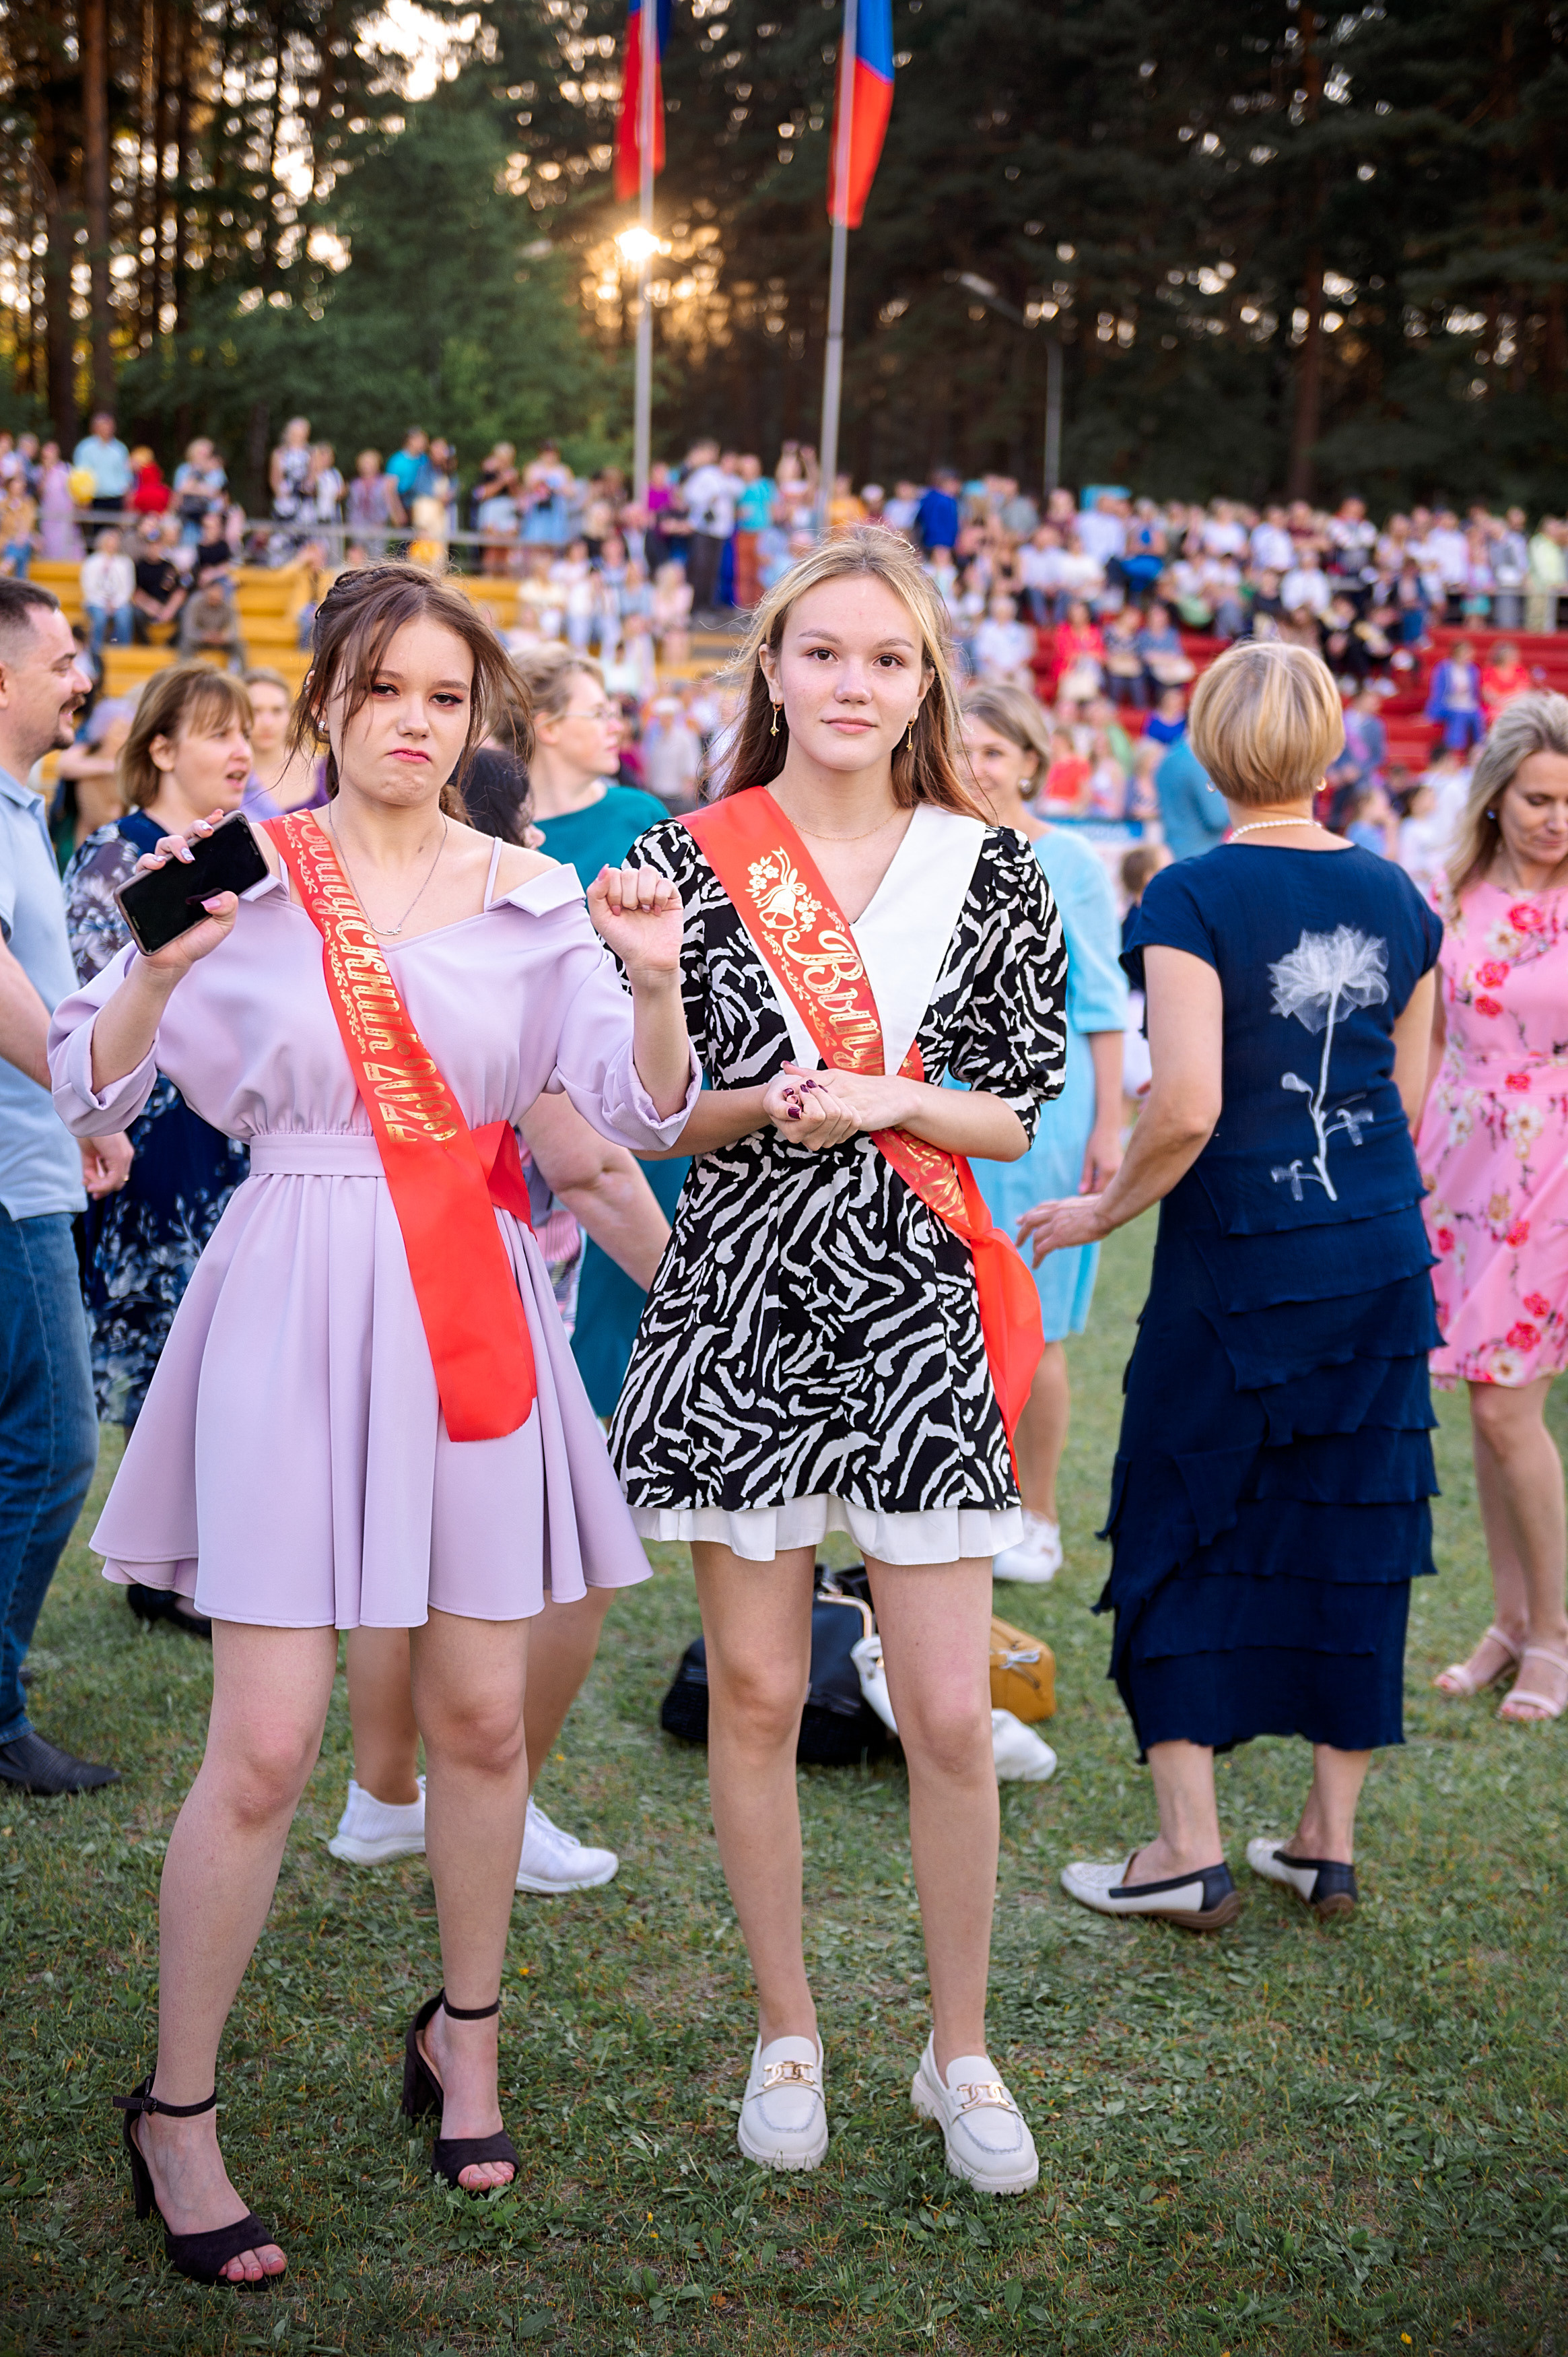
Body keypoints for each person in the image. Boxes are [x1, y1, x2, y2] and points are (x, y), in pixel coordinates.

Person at [49, 563, 697, 2282]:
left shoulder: (537, 896)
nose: (414, 720)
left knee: (482, 1718)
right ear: (326, 701)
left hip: (470, 1300)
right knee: (266, 1746)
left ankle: (463, 2037)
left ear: (478, 721)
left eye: (445, 696)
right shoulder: (238, 873)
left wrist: (649, 980)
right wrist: (155, 968)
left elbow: (631, 1111)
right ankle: (175, 2111)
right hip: (293, 1284)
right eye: (382, 688)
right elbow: (89, 1084)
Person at [611, 528, 1066, 2193]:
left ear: (923, 679)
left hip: (911, 1301)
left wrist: (887, 1098)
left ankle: (961, 2049)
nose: (853, 684)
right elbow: (662, 1115)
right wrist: (658, 987)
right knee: (753, 1691)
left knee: (945, 1708)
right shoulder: (687, 855)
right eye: (823, 652)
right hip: (744, 1297)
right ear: (773, 669)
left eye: (886, 657)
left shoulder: (990, 864)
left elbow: (1009, 1112)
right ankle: (785, 2029)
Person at [1023, 642, 1441, 1932]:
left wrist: (1100, 1208)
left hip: (1240, 1262)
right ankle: (1324, 1841)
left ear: (1205, 757)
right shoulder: (1397, 894)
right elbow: (1404, 1096)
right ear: (1331, 749)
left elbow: (1189, 1103)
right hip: (1375, 1253)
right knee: (1353, 1524)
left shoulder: (1191, 892)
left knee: (1179, 1508)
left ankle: (1184, 1848)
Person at [62, 672, 256, 1630]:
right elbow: (92, 1000)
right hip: (147, 1138)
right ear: (162, 749)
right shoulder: (113, 855)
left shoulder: (241, 857)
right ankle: (162, 1566)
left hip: (227, 1139)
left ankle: (196, 1556)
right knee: (167, 1349)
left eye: (247, 732)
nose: (241, 751)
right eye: (218, 733)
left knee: (222, 1352)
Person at [0, 580, 131, 1796]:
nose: (82, 679)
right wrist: (87, 1097)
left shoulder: (19, 805)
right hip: (10, 1186)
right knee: (50, 1450)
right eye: (62, 660)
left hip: (32, 1164)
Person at [1420, 694, 1568, 1723]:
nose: (1556, 819)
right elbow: (1428, 1036)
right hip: (1460, 1166)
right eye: (1537, 799)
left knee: (1508, 1405)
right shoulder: (1452, 894)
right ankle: (1510, 1622)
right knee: (1484, 1402)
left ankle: (1554, 1635)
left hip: (1555, 1171)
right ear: (1495, 799)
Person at [962, 685, 1126, 1585]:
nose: (977, 767)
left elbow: (1100, 1000)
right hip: (941, 1108)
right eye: (963, 748)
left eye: (994, 751)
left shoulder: (1072, 861)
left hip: (1048, 1117)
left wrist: (1108, 1123)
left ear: (1031, 761)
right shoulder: (929, 844)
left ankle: (1039, 1515)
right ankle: (960, 1504)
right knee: (948, 1319)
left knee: (1037, 1322)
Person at [240, 668, 324, 818]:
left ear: (289, 714)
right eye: (256, 711)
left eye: (277, 710)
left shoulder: (322, 770)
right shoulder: (227, 776)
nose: (267, 723)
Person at [1155, 731, 1229, 861]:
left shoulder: (1169, 757)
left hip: (1172, 852)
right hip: (1200, 856)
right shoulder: (1197, 760)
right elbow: (1217, 819)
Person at [81, 528, 136, 654]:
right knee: (100, 618)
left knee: (124, 617)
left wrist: (115, 603)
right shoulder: (91, 562)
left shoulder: (125, 563)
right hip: (96, 602)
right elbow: (88, 587)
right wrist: (104, 603)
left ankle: (122, 653)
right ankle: (96, 655)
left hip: (119, 602)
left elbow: (128, 588)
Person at [178, 579, 246, 670]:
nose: (215, 598)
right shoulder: (195, 603)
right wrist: (204, 636)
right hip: (200, 640)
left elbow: (235, 630)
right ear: (206, 593)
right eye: (212, 597)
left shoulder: (229, 604)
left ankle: (242, 673)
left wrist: (224, 637)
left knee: (239, 645)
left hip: (220, 640)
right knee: (186, 644)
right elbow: (188, 630)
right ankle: (184, 671)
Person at [71, 412, 133, 512]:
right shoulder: (85, 448)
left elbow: (126, 474)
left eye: (109, 426)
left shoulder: (120, 449)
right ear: (95, 428)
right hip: (94, 498)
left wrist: (127, 495)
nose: (106, 429)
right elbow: (80, 473)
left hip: (116, 497)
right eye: (103, 426)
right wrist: (82, 499)